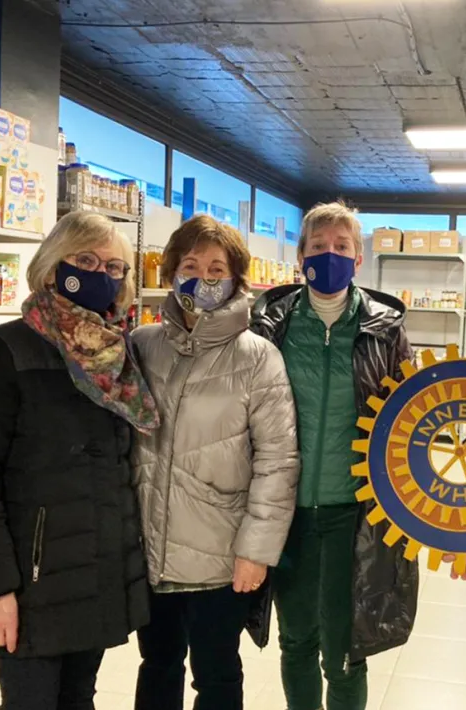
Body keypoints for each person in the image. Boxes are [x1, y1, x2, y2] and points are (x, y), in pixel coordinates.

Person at [0, 211, 158, 710]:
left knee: (78, 699)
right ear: (49, 268)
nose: (99, 274)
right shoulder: (3, 351)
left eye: (113, 267)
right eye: (84, 260)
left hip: (96, 571)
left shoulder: (115, 354)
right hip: (30, 581)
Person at [250, 202, 419, 710]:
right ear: (300, 256)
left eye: (341, 247)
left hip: (355, 511)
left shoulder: (385, 330)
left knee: (346, 649)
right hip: (286, 511)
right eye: (318, 246)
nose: (330, 255)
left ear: (359, 257)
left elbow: (408, 418)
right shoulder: (270, 326)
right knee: (296, 639)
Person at [131, 214, 299, 710]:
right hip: (148, 549)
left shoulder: (257, 357)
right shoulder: (141, 346)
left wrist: (257, 550)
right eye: (190, 264)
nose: (202, 278)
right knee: (156, 667)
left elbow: (278, 459)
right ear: (170, 272)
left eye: (216, 268)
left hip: (221, 556)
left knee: (218, 676)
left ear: (235, 279)